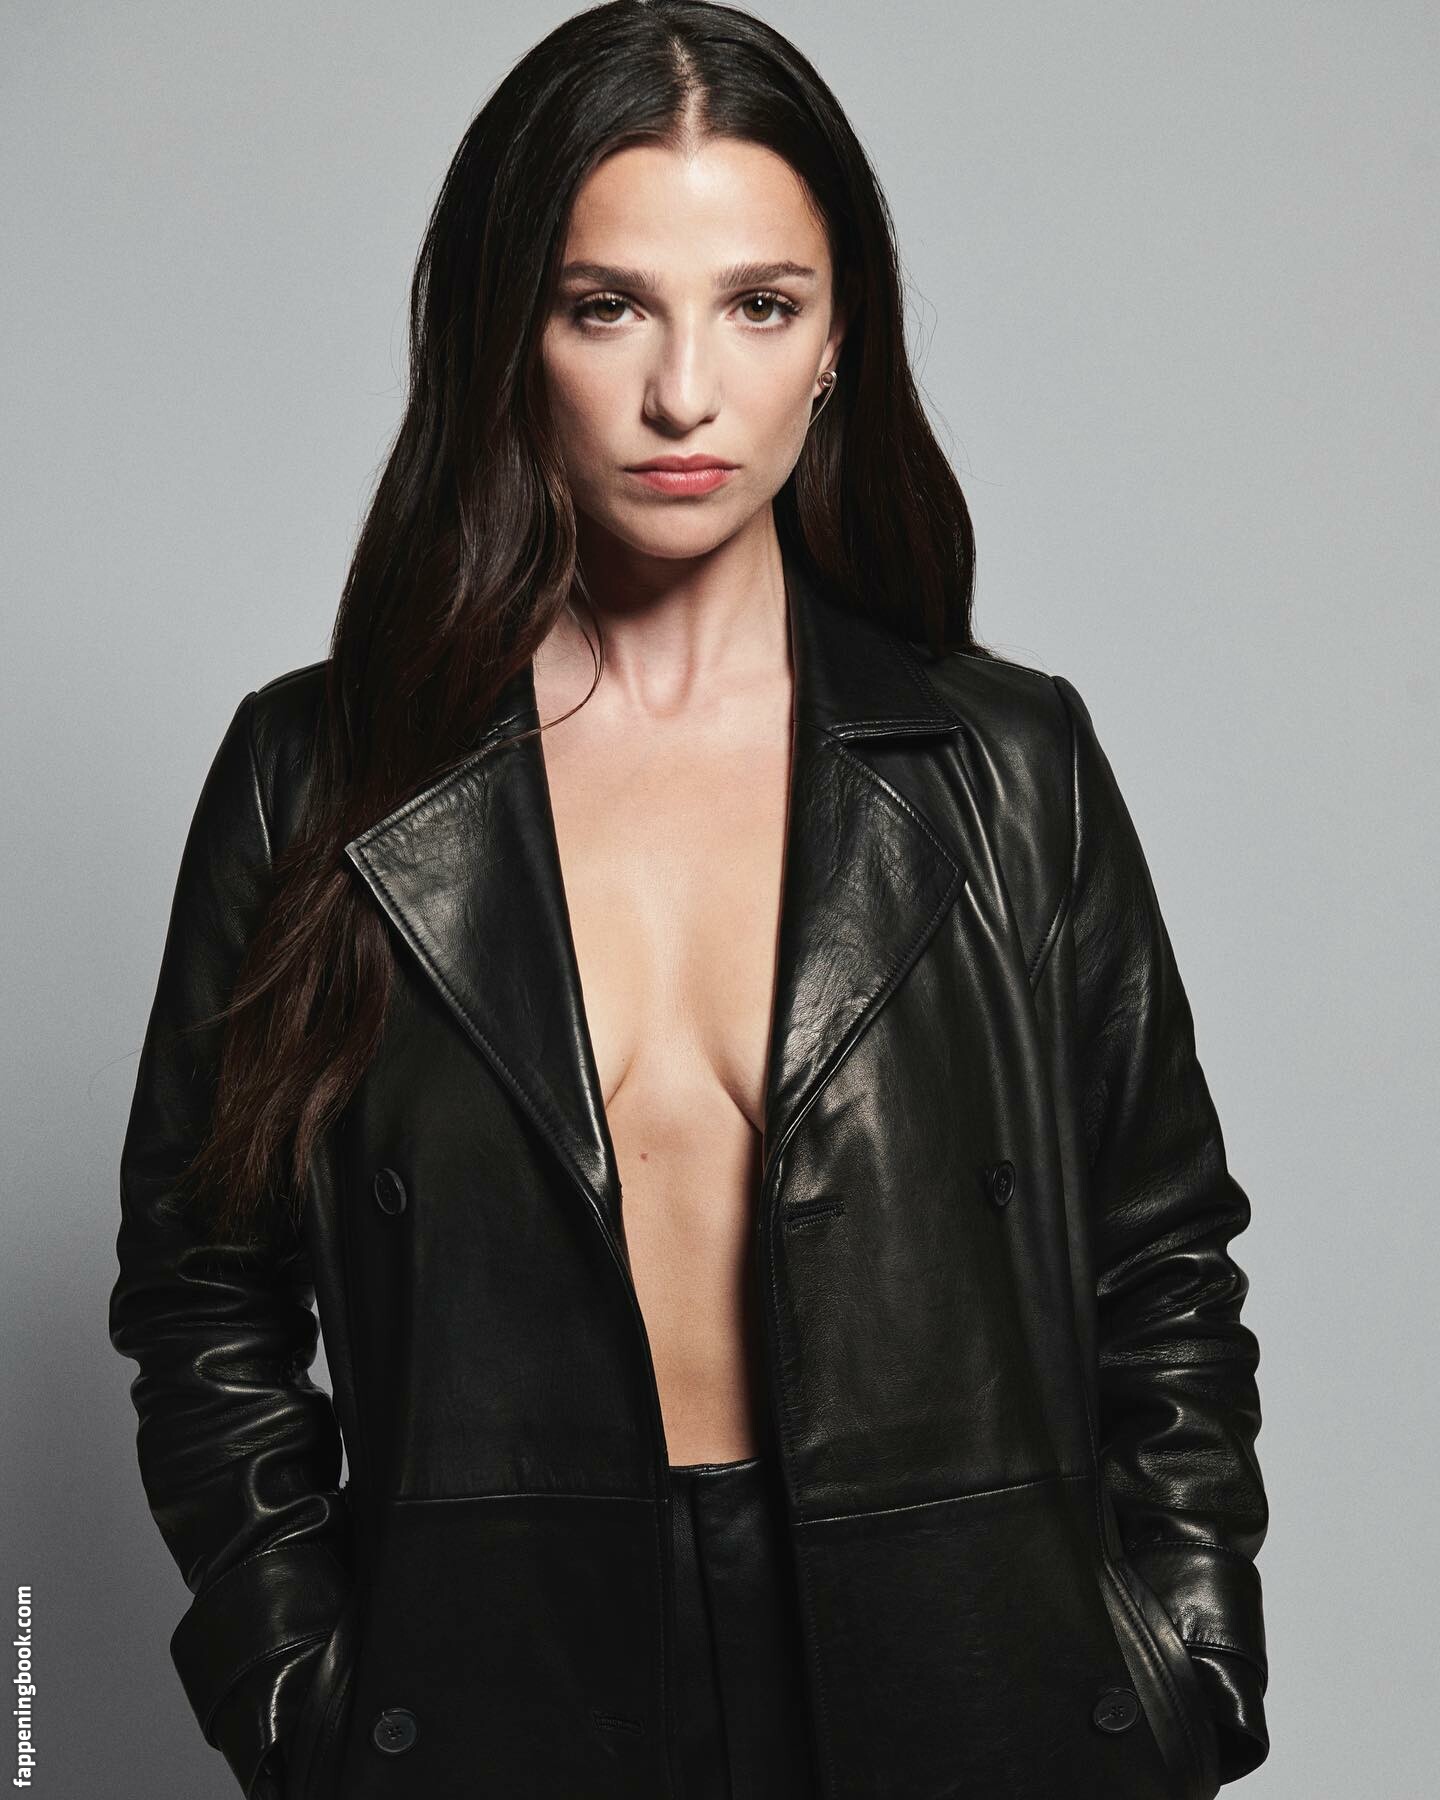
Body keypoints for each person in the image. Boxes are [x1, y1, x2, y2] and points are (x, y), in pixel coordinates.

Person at [108, 4, 1271, 1797]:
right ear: (509, 335)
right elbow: (205, 1293)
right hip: (507, 1692)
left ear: (837, 342)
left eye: (759, 305)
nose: (683, 393)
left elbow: (1164, 1260)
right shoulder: (318, 779)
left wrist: (1185, 1658)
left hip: (972, 1678)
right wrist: (302, 1702)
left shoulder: (1005, 768)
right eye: (606, 307)